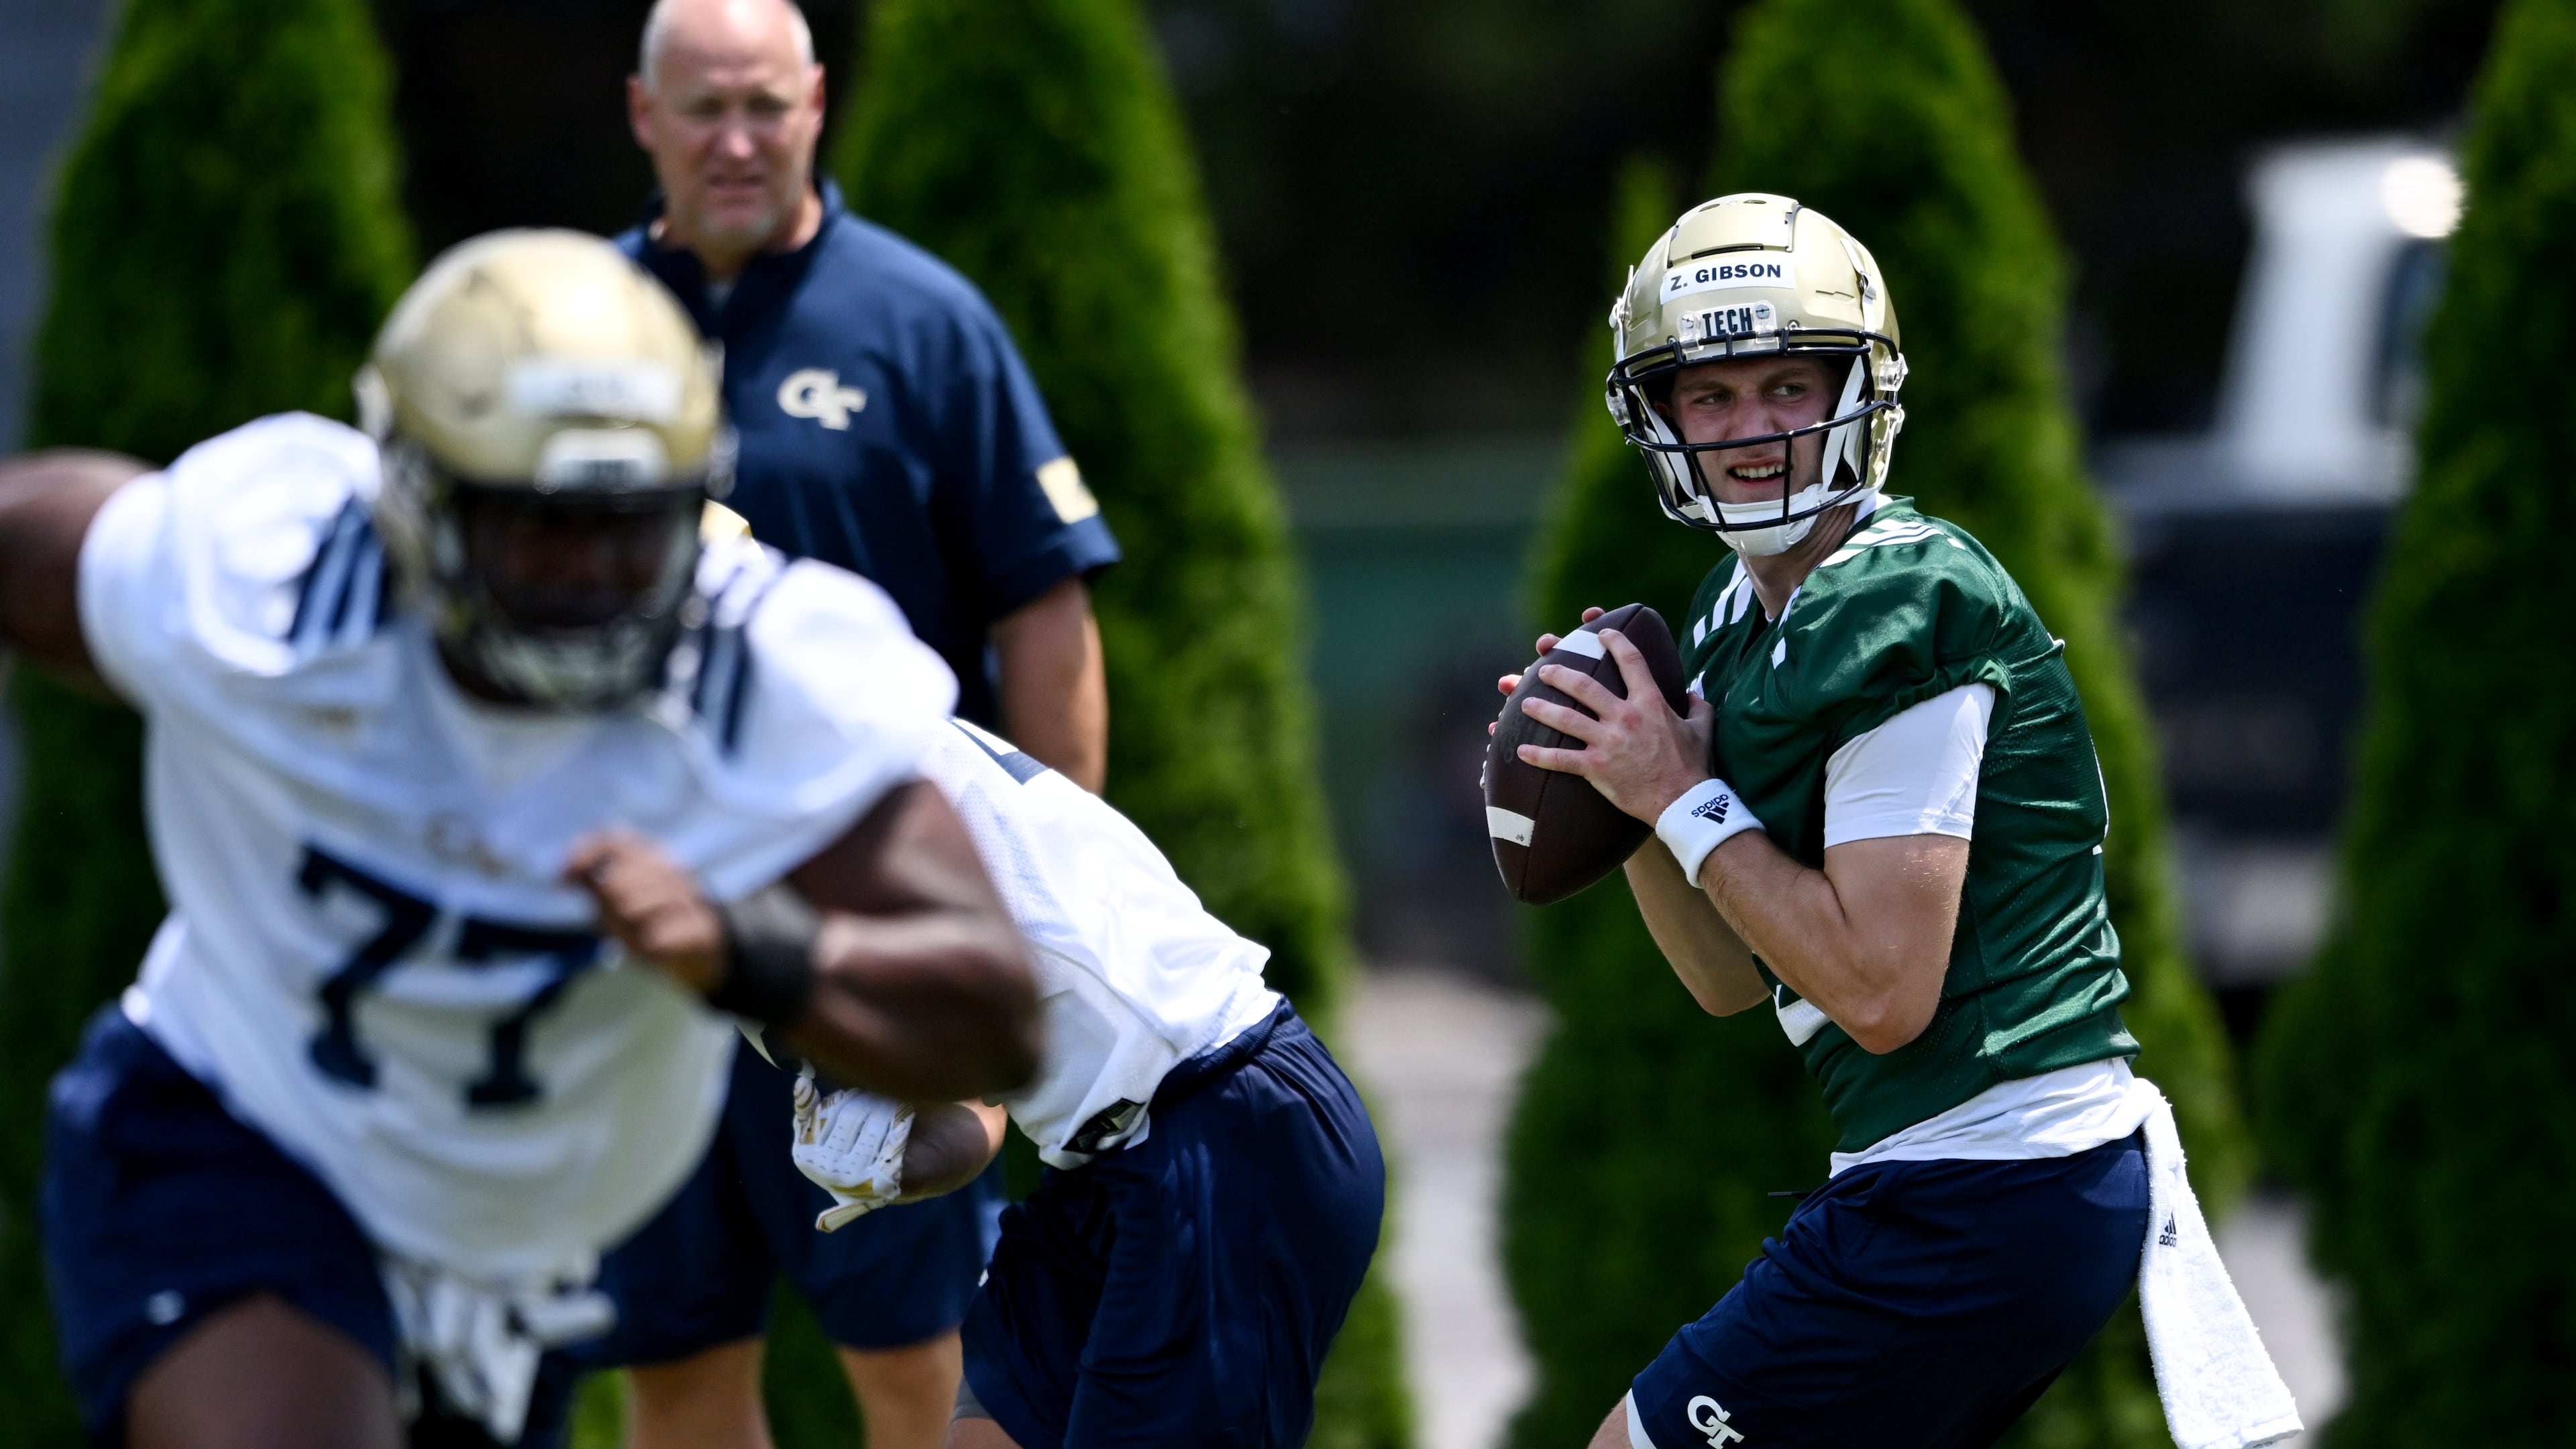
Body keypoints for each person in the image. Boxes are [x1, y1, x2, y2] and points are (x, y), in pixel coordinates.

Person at [3, 229, 1040, 1449]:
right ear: (416, 497)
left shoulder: (764, 665)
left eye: (631, 522)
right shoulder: (272, 577)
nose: (592, 572)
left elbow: (996, 1013)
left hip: (521, 1260)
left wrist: (754, 950)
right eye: (544, 527)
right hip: (242, 1132)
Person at [1507, 193, 2163, 1448]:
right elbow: (1727, 981)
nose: (1751, 429)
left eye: (1787, 386)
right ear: (1658, 418)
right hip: (1963, 1180)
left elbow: (1880, 990)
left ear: (1855, 394)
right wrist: (1627, 798)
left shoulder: (1905, 598)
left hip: (1996, 1173)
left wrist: (1682, 797)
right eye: (1711, 395)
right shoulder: (1727, 618)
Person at [590, 2, 1122, 1443]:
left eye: (767, 104)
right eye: (704, 110)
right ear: (645, 116)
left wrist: (1029, 944)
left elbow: (1046, 618)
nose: (739, 140)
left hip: (865, 942)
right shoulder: (573, 325)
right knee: (676, 1373)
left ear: (819, 101)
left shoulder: (923, 321)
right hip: (639, 960)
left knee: (929, 1369)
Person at [765, 717, 1383, 1449]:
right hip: (1107, 1160)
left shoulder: (782, 768)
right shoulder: (792, 746)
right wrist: (894, 1165)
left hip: (1227, 1123)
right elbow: (981, 1101)